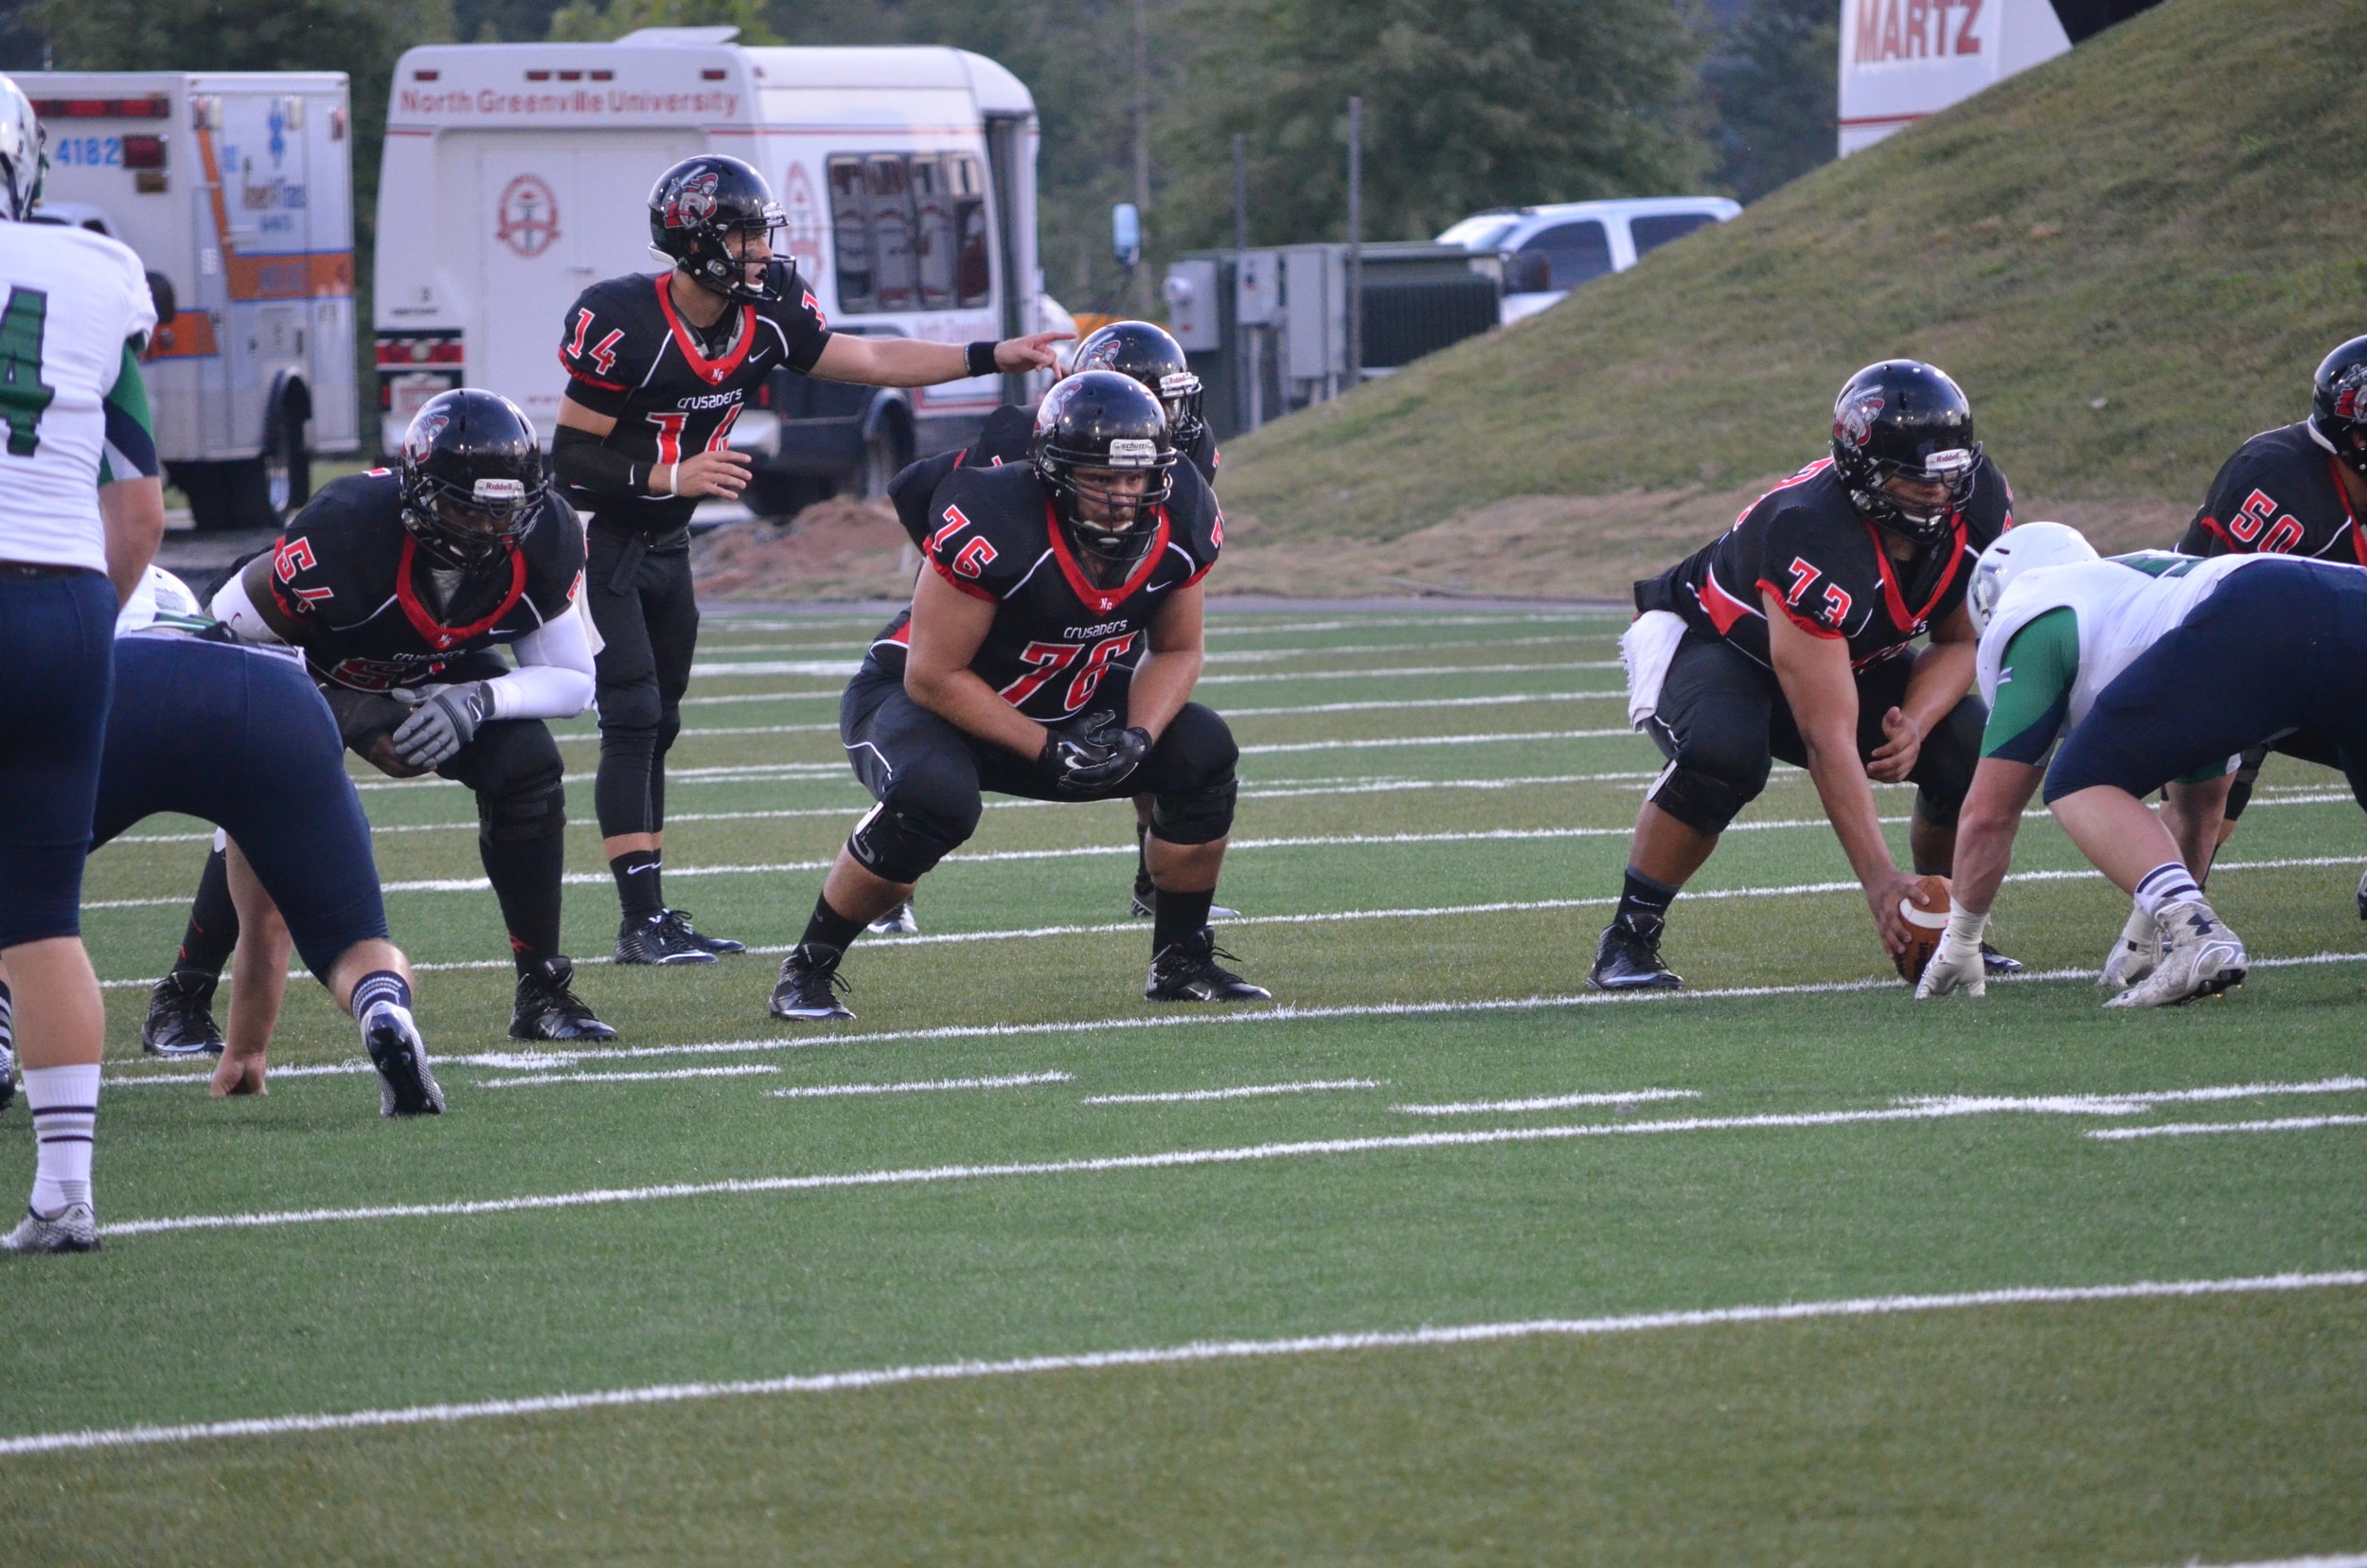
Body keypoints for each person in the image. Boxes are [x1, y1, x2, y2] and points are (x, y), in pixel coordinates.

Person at [550, 153, 1066, 965]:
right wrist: (669, 474)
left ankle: (649, 914)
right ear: (692, 240)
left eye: (760, 231)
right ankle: (639, 919)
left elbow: (865, 361)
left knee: (663, 721)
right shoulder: (624, 319)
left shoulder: (766, 313)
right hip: (596, 539)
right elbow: (568, 459)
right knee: (634, 716)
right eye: (742, 232)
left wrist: (989, 355)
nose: (759, 248)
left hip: (667, 542)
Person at [769, 371, 1266, 1022]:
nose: (1122, 496)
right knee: (936, 801)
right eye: (1101, 478)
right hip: (924, 701)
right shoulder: (998, 520)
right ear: (1055, 472)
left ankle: (1181, 960)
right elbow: (934, 675)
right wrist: (1047, 749)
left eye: (1134, 477)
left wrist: (1138, 736)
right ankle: (807, 969)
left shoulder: (1183, 517)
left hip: (1061, 694)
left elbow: (1175, 650)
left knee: (1200, 749)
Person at [1593, 360, 2018, 990]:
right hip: (1711, 639)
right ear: (1863, 474)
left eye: (1948, 474)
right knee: (1726, 751)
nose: (1938, 494)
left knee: (1965, 742)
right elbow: (1827, 736)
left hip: (1839, 654)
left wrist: (1917, 724)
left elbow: (1960, 641)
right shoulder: (1812, 532)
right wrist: (1878, 881)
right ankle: (1628, 938)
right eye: (1914, 479)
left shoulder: (1978, 501)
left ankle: (1949, 919)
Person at [209, 389, 614, 1042]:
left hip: (437, 666)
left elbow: (574, 681)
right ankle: (184, 991)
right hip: (314, 673)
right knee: (266, 795)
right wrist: (356, 718)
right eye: (467, 509)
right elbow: (225, 641)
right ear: (419, 493)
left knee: (528, 765)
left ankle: (543, 991)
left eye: (503, 511)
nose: (488, 529)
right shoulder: (344, 528)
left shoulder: (548, 536)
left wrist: (481, 700)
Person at [873, 318, 1228, 935]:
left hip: (1110, 603)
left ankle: (1155, 881)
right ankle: (891, 877)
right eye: (1155, 396)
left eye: (1173, 400)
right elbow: (918, 487)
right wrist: (962, 574)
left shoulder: (1184, 448)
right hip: (1017, 609)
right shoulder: (1027, 437)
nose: (1171, 415)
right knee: (937, 753)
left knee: (1152, 723)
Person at [1918, 528, 2367, 1006]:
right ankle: (2187, 931)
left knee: (2078, 779)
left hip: (2258, 606)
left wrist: (1962, 937)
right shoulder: (2155, 602)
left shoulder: (2036, 618)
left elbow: (1989, 813)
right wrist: (2144, 932)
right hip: (2340, 591)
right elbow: (2198, 810)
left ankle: (2197, 935)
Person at [0, 74, 166, 1252]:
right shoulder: (100, 272)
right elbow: (143, 510)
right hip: (63, 597)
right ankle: (66, 1187)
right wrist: (76, 625)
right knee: (43, 914)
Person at [2074, 334, 2367, 976]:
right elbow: (2240, 623)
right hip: (2220, 649)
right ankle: (2162, 933)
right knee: (2208, 807)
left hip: (2321, 659)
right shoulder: (2278, 480)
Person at [102, 566, 441, 1110]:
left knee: (28, 895)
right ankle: (382, 1006)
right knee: (352, 941)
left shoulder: (57, 604)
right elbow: (265, 917)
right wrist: (246, 1050)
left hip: (119, 680)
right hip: (270, 690)